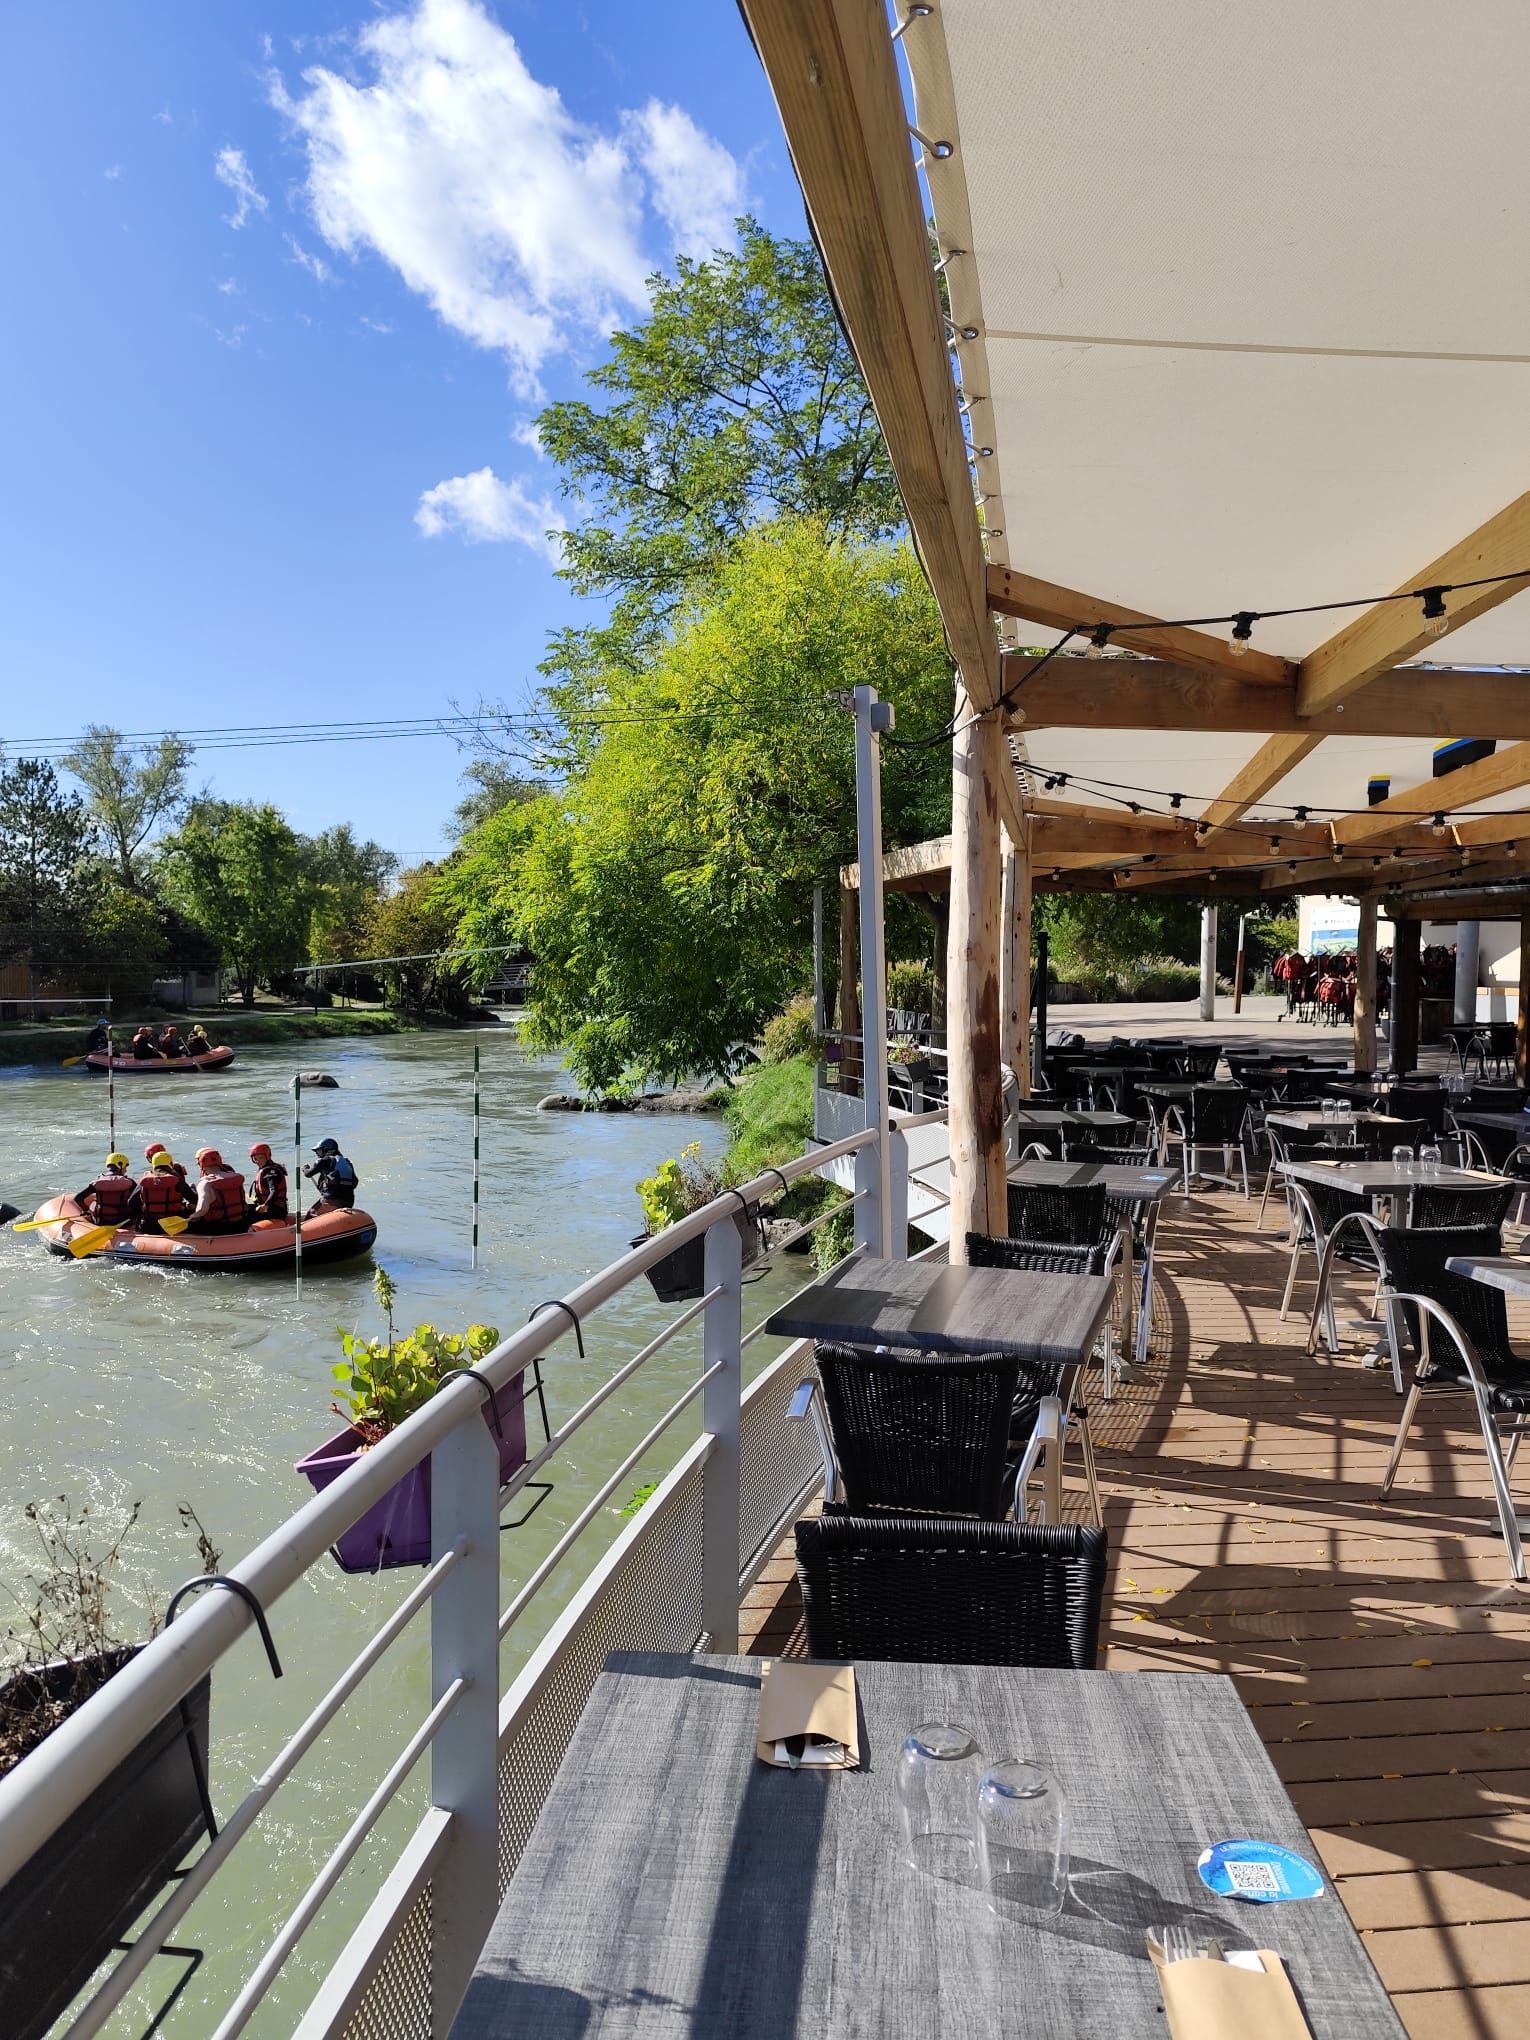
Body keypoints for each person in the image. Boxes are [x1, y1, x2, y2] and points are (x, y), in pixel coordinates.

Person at [186, 1146, 248, 1235]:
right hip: (242, 1224)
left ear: (201, 1165)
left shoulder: (205, 1183)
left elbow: (202, 1210)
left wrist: (190, 1218)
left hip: (218, 1228)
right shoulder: (237, 1177)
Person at [76, 1153, 138, 1228]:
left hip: (101, 1221)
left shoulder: (97, 1182)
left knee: (93, 1204)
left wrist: (86, 1210)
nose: (126, 1170)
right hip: (124, 1222)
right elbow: (138, 1201)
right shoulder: (130, 1182)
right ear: (120, 1165)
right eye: (125, 1167)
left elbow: (78, 1198)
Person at [303, 1137, 358, 1217]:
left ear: (327, 1149)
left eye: (319, 1150)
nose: (317, 1153)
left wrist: (305, 1168)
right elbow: (355, 1183)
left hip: (332, 1200)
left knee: (310, 1215)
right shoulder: (347, 1162)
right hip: (349, 1201)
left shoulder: (324, 1161)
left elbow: (308, 1174)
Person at [136, 1150, 189, 1234]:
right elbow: (193, 1199)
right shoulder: (176, 1180)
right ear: (170, 1164)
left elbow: (131, 1202)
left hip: (149, 1226)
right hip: (174, 1225)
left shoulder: (144, 1180)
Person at [247, 1142, 289, 1221]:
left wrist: (265, 1205)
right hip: (270, 1208)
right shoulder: (265, 1169)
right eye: (255, 1159)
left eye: (261, 1158)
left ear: (267, 1156)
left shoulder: (270, 1173)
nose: (258, 1161)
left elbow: (274, 1190)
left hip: (276, 1211)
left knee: (246, 1216)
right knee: (243, 1209)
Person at [142, 1141, 193, 1207]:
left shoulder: (146, 1178)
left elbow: (133, 1201)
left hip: (150, 1212)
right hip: (175, 1211)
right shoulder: (176, 1172)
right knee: (192, 1186)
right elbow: (189, 1195)